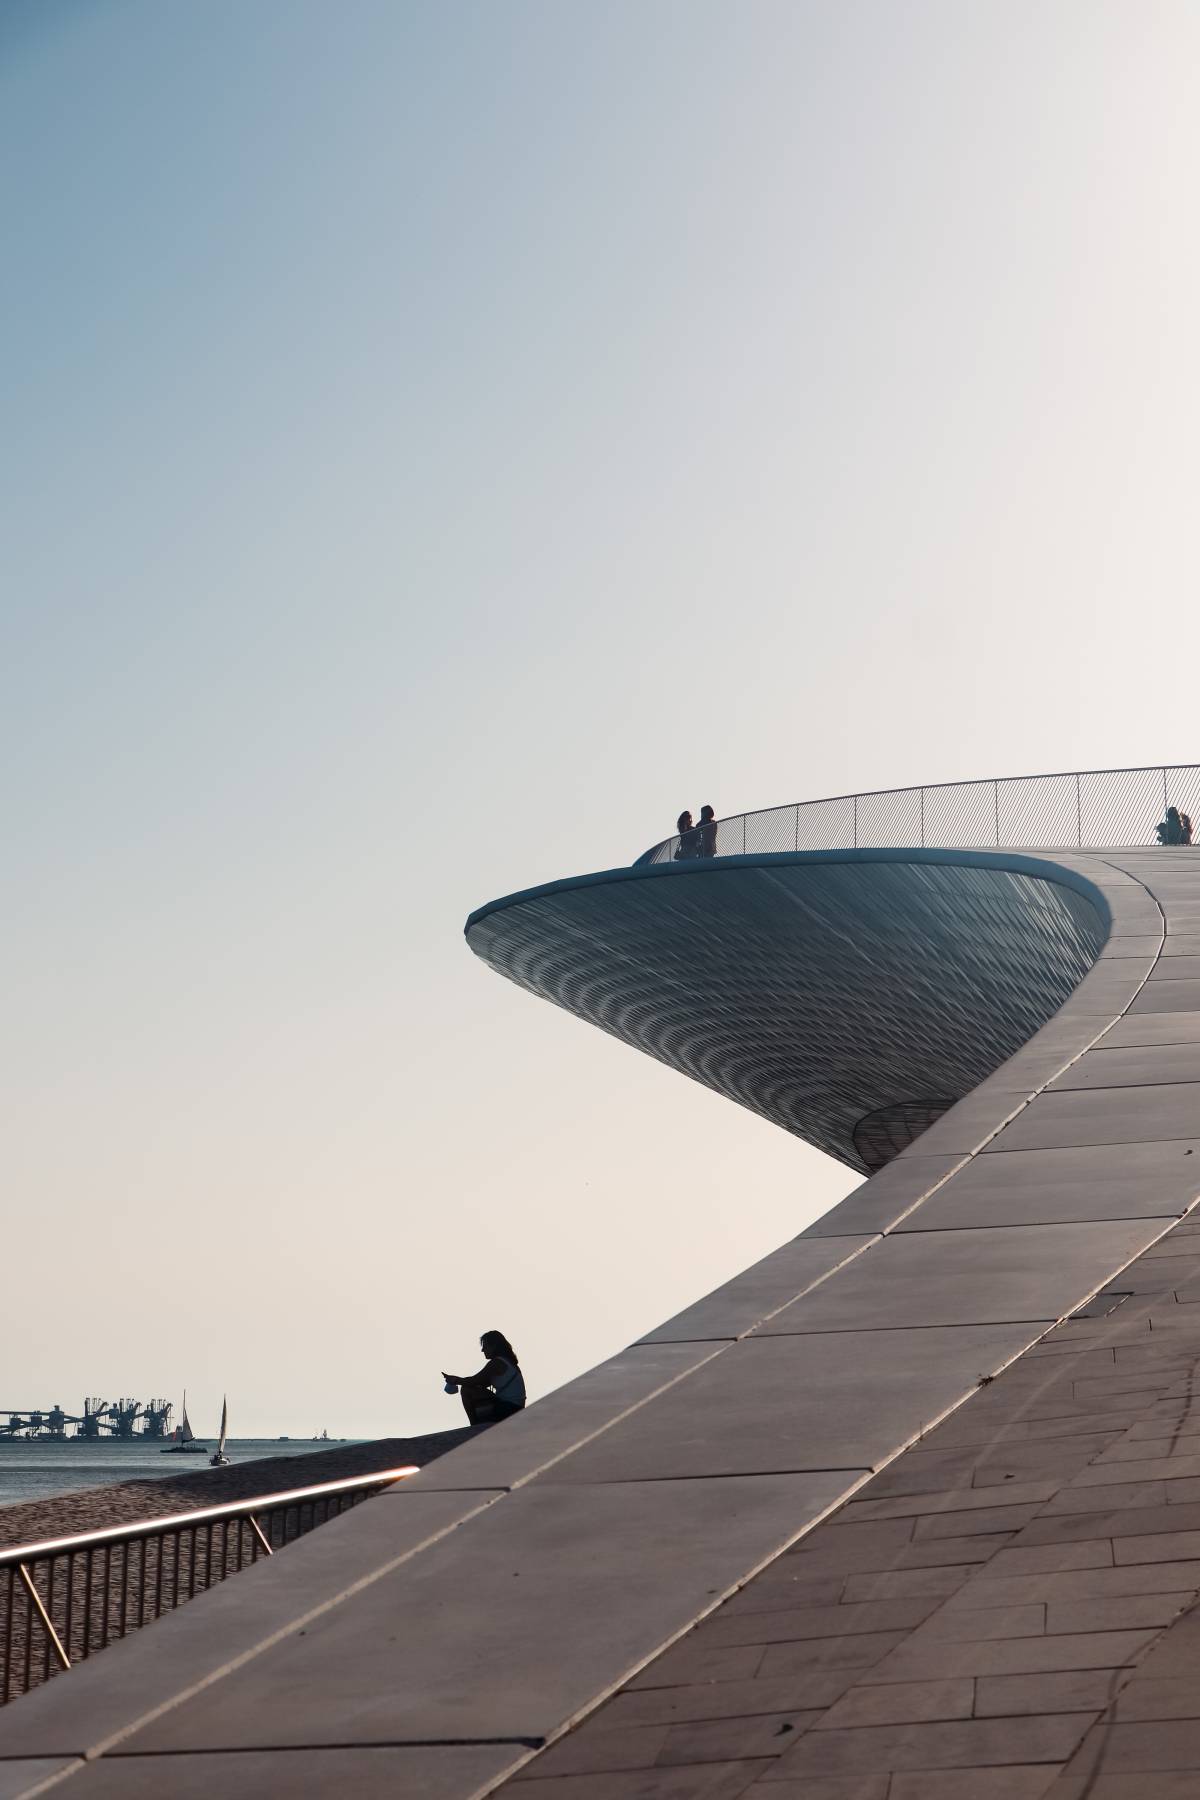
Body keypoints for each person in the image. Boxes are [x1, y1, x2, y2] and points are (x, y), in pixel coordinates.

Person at [442, 1331, 526, 1426]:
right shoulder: (508, 1362)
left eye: (485, 1346)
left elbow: (474, 1381)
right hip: (514, 1409)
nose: (482, 1350)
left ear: (493, 1346)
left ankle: (474, 1426)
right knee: (471, 1388)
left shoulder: (496, 1363)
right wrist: (459, 1380)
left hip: (508, 1409)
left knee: (467, 1390)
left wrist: (456, 1380)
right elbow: (479, 1383)